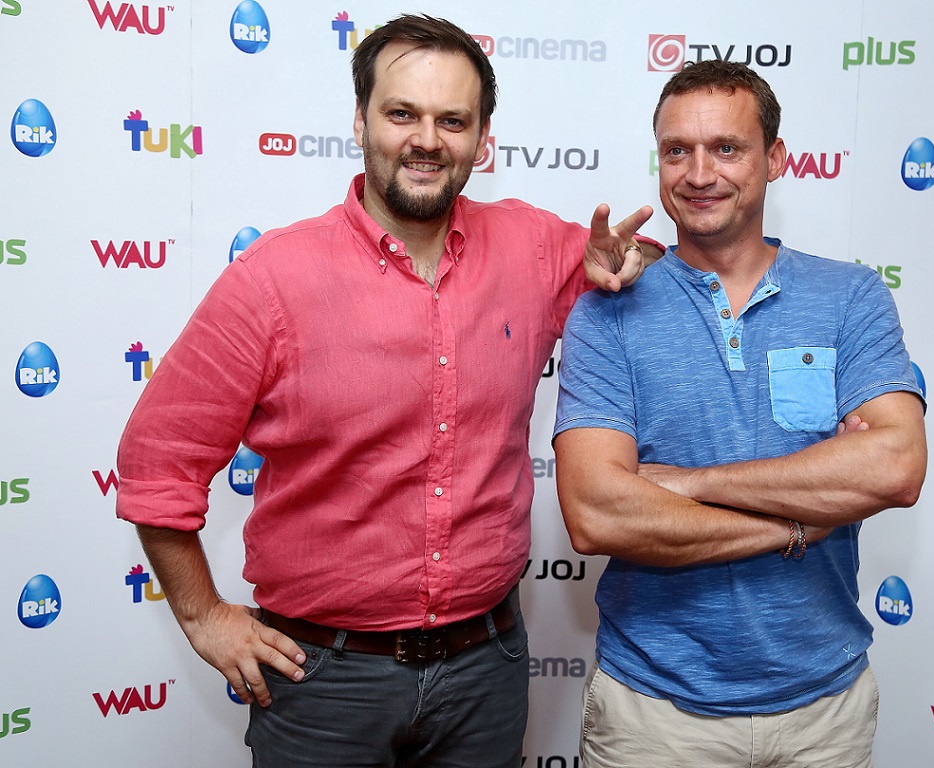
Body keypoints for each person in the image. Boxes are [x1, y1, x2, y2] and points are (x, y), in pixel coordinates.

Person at [115, 13, 659, 768]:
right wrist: (205, 617)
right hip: (320, 682)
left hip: (487, 669)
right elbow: (156, 463)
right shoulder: (271, 281)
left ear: (483, 137)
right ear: (360, 120)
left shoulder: (534, 248)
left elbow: (637, 268)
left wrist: (631, 262)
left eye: (452, 120)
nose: (427, 140)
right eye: (402, 113)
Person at [552, 60, 927, 768]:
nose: (699, 174)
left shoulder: (850, 296)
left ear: (775, 159)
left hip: (824, 716)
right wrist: (796, 524)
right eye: (677, 151)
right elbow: (599, 514)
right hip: (654, 718)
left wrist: (686, 483)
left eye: (726, 148)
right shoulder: (607, 312)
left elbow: (895, 467)